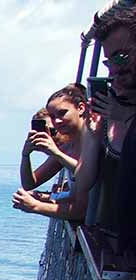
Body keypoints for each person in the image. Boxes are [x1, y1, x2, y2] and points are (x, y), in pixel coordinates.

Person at [72, 5, 136, 244]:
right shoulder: (109, 111)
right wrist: (92, 135)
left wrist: (127, 116)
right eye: (109, 62)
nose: (115, 70)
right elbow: (83, 183)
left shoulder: (121, 112)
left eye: (122, 57)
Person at [14, 84, 89, 220]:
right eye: (53, 117)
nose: (57, 121)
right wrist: (25, 155)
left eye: (62, 113)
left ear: (81, 108)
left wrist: (36, 206)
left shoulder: (93, 141)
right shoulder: (68, 148)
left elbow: (82, 210)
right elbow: (29, 184)